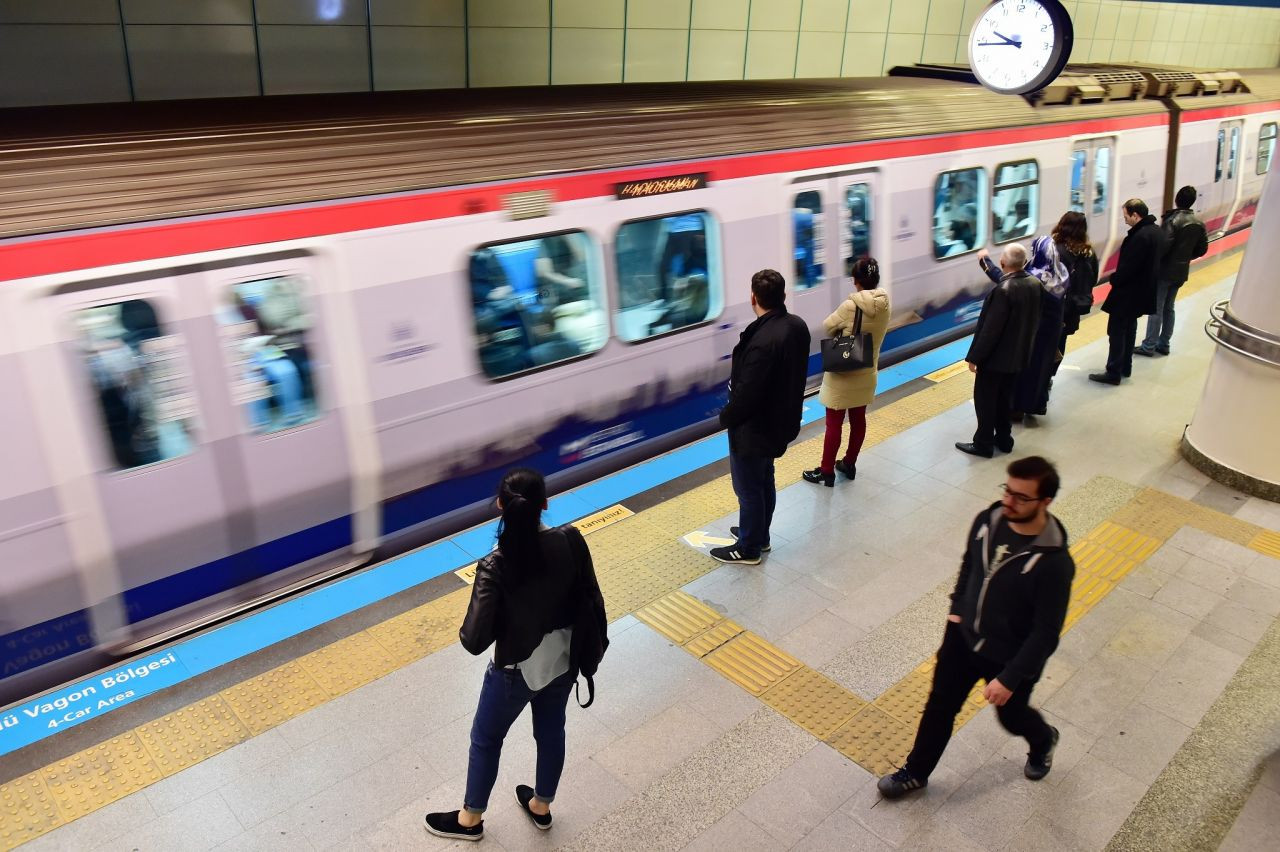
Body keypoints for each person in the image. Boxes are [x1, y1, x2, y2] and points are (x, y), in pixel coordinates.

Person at [878, 456, 1075, 800]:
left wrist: (1010, 678)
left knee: (1012, 719)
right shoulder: (989, 519)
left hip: (1009, 657)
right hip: (963, 638)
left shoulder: (1055, 564)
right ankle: (916, 772)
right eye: (1007, 490)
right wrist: (957, 609)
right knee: (940, 706)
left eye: (1021, 497)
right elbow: (970, 562)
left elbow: (1046, 633)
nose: (1008, 502)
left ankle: (1044, 739)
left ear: (1046, 502)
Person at [425, 467, 606, 842]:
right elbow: (589, 594)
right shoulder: (571, 539)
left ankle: (470, 819)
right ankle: (541, 806)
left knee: (486, 739)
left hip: (513, 671)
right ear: (544, 504)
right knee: (552, 730)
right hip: (563, 661)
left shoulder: (496, 564)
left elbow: (474, 640)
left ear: (500, 507)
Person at [713, 269, 811, 565]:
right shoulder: (796, 326)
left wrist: (725, 417)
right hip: (779, 422)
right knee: (765, 479)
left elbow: (748, 394)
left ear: (753, 297)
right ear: (783, 296)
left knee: (748, 489)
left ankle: (749, 548)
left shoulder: (762, 341)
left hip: (753, 428)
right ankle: (759, 534)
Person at [803, 257, 890, 487]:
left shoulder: (850, 305)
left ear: (856, 281)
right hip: (867, 369)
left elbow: (828, 327)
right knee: (858, 420)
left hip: (843, 372)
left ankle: (826, 471)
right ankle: (849, 463)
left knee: (834, 423)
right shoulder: (884, 304)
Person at [955, 244, 1041, 459]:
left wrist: (975, 358)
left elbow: (990, 331)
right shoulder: (1034, 284)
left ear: (1003, 264)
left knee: (985, 400)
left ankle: (983, 443)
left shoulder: (1002, 292)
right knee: (1005, 399)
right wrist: (985, 262)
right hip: (1019, 356)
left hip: (996, 360)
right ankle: (1004, 439)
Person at [1090, 199, 1163, 386]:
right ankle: (1125, 366)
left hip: (1128, 294)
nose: (1125, 221)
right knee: (1130, 329)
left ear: (1135, 215)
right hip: (1142, 292)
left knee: (1116, 331)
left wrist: (1114, 279)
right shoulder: (1156, 232)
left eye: (1126, 216)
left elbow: (1128, 268)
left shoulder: (1139, 237)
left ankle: (1113, 371)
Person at [1136, 186, 1208, 357]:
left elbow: (1163, 247)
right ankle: (1164, 343)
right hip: (1181, 271)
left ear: (1177, 199)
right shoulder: (1199, 223)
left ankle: (1149, 345)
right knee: (1169, 307)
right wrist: (1185, 258)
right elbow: (1202, 249)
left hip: (1164, 272)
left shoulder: (1172, 221)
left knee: (1157, 308)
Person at [1009, 235, 1068, 422]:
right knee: (1043, 368)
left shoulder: (1035, 277)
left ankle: (1019, 408)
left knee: (1027, 370)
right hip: (1053, 329)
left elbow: (1010, 282)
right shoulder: (1061, 272)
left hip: (1035, 330)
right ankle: (1037, 404)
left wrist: (985, 263)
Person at [1051, 211, 1099, 365]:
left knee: (1047, 341)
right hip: (1074, 307)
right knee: (1061, 340)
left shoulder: (1055, 249)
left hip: (1055, 308)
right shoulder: (1089, 252)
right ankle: (1050, 375)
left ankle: (1042, 379)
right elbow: (1093, 279)